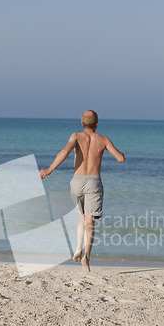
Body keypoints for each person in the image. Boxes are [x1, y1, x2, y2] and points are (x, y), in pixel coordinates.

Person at [39, 110, 125, 272]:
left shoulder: (76, 136)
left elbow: (64, 152)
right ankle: (86, 256)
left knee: (81, 217)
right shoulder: (103, 139)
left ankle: (77, 248)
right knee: (90, 220)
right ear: (97, 124)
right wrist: (121, 154)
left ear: (82, 123)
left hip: (77, 181)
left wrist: (49, 169)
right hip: (93, 182)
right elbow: (120, 158)